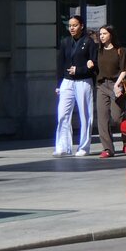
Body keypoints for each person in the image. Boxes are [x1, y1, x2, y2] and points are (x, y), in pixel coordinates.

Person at [54, 15, 96, 157]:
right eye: (70, 25)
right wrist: (59, 84)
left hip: (83, 81)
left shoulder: (89, 42)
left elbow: (94, 65)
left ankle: (84, 147)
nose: (71, 28)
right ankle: (63, 147)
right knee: (62, 114)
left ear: (81, 26)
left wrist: (79, 70)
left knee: (85, 114)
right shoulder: (65, 42)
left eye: (75, 25)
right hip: (67, 81)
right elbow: (60, 64)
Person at [93, 24, 126, 159]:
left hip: (116, 84)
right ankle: (108, 149)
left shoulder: (120, 50)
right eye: (100, 34)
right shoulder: (98, 50)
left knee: (117, 117)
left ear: (111, 35)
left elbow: (124, 70)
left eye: (104, 34)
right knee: (102, 118)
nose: (102, 36)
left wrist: (118, 85)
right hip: (102, 85)